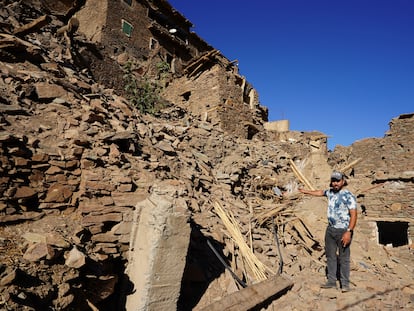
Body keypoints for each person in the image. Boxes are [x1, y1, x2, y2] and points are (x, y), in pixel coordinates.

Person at [299, 171, 357, 292]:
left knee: (344, 258)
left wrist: (349, 231)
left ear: (343, 181)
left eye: (338, 181)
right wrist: (306, 191)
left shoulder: (348, 195)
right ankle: (331, 281)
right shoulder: (330, 192)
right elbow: (320, 192)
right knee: (330, 256)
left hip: (343, 230)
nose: (335, 183)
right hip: (330, 230)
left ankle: (345, 284)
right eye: (333, 181)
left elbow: (353, 214)